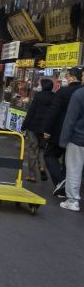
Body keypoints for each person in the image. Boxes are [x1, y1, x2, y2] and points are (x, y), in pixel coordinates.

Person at [43, 67, 83, 196]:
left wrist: (47, 130)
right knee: (69, 162)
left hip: (59, 131)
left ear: (72, 77)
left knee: (49, 155)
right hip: (77, 134)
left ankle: (61, 182)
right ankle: (67, 189)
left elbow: (53, 112)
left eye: (66, 76)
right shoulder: (81, 92)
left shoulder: (63, 92)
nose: (65, 78)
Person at [58, 73, 84, 211]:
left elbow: (70, 120)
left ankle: (73, 201)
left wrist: (63, 141)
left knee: (74, 169)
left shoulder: (79, 94)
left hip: (78, 139)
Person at [20, 78, 53, 182]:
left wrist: (24, 125)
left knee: (32, 150)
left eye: (39, 84)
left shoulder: (38, 96)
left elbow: (31, 111)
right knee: (42, 149)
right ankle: (42, 167)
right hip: (46, 128)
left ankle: (32, 175)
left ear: (43, 86)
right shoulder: (54, 97)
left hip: (34, 127)